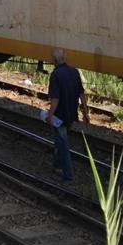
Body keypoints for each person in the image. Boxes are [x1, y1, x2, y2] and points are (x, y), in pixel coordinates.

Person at [46, 48, 90, 182]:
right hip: (72, 114)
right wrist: (86, 113)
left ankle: (68, 175)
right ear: (64, 59)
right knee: (60, 141)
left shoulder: (55, 75)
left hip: (60, 116)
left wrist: (50, 115)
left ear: (54, 61)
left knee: (62, 145)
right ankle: (56, 166)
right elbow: (82, 94)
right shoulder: (74, 72)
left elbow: (55, 98)